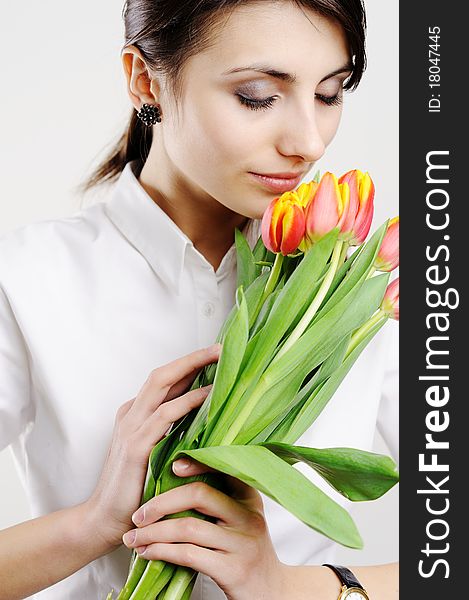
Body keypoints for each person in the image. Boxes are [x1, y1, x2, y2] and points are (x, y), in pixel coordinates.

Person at [0, 0, 399, 598]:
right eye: (259, 95)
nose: (309, 142)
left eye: (330, 94)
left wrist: (291, 588)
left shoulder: (367, 289)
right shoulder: (28, 276)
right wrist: (94, 525)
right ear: (145, 79)